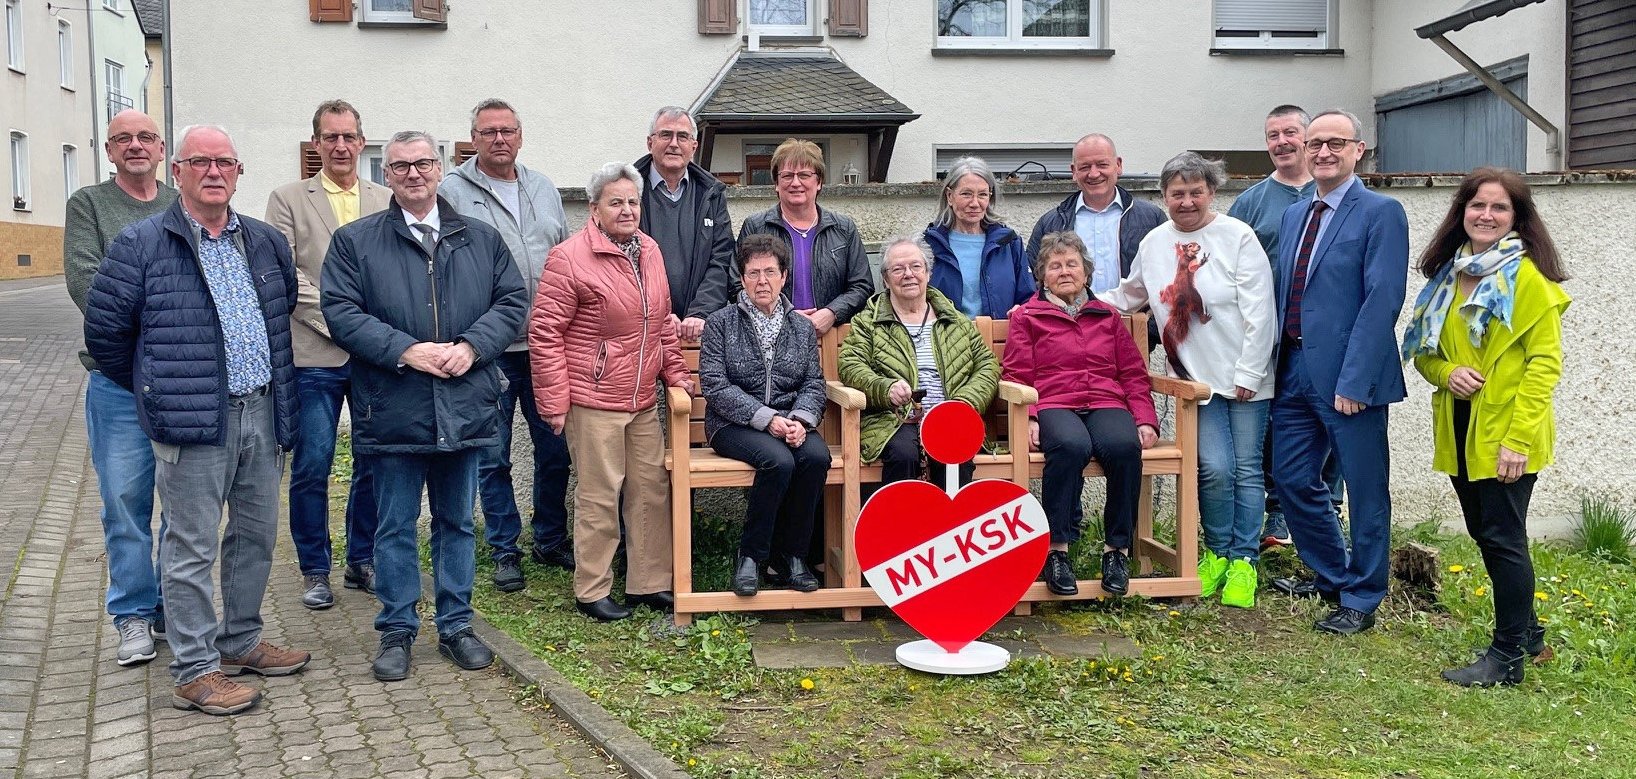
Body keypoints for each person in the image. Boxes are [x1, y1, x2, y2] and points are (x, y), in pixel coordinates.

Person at [85, 125, 309, 715]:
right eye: (200, 162)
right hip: (191, 418)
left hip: (262, 408)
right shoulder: (141, 243)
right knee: (189, 545)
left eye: (225, 162)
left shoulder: (264, 241)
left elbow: (280, 306)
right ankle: (193, 669)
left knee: (256, 535)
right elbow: (107, 334)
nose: (214, 172)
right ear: (177, 171)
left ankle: (239, 641)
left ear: (239, 172)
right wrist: (159, 389)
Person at [321, 130, 527, 682]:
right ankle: (396, 629)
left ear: (440, 169)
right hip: (394, 405)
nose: (413, 174)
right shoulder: (355, 242)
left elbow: (513, 301)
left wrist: (472, 347)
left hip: (465, 405)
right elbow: (340, 311)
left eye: (422, 164)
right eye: (400, 166)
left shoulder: (480, 239)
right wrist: (406, 350)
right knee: (394, 525)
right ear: (386, 175)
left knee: (458, 521)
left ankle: (457, 624)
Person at [1402, 167, 1570, 686]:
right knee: (1487, 532)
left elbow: (1545, 367)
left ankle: (1507, 658)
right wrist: (1448, 372)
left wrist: (1518, 441)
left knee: (1502, 538)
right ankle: (1532, 639)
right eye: (1478, 205)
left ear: (1517, 218)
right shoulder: (1447, 280)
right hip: (1460, 426)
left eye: (1500, 208)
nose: (1487, 215)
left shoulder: (1529, 283)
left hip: (1506, 433)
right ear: (1463, 212)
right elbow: (1425, 354)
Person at [1100, 152, 1275, 608]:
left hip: (1245, 376)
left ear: (1211, 193)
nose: (1187, 201)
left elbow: (1261, 308)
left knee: (1246, 470)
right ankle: (1216, 553)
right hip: (1195, 381)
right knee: (1214, 469)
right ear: (1165, 197)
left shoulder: (1237, 236)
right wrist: (1062, 298)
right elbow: (1128, 294)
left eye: (1196, 192)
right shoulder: (1155, 242)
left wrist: (1250, 371)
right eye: (1178, 193)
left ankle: (1244, 561)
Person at [531, 162, 692, 622]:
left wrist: (676, 374)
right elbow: (545, 332)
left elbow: (661, 321)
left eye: (633, 201)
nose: (626, 210)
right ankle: (592, 589)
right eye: (615, 202)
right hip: (593, 398)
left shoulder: (651, 251)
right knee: (600, 495)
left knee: (649, 491)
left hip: (641, 399)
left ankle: (648, 583)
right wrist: (555, 402)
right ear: (594, 207)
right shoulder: (569, 257)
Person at [1269, 109, 1409, 636]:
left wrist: (1355, 381)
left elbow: (1383, 299)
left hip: (1352, 378)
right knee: (1291, 478)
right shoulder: (1295, 215)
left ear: (1359, 149)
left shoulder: (1381, 212)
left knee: (1366, 488)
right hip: (1294, 369)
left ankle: (1363, 596)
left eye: (1335, 143)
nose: (1323, 152)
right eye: (1315, 144)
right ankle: (1332, 574)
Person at [439, 98, 574, 592]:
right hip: (486, 347)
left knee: (555, 450)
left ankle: (551, 538)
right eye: (489, 131)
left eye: (508, 130)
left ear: (521, 135)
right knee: (492, 455)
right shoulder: (452, 190)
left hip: (545, 344)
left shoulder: (542, 188)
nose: (500, 139)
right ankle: (504, 549)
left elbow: (562, 254)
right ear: (473, 138)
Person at [265, 99, 391, 610]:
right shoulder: (287, 199)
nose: (340, 146)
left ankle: (362, 560)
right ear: (315, 143)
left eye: (349, 137)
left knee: (372, 459)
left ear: (362, 142)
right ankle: (315, 568)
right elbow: (284, 273)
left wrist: (371, 334)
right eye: (330, 137)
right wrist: (345, 324)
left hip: (373, 359)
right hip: (313, 353)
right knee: (313, 464)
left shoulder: (386, 199)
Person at [63, 109, 177, 667]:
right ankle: (132, 612)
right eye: (123, 139)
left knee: (184, 505)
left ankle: (169, 609)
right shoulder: (88, 204)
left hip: (182, 383)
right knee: (126, 503)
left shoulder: (181, 202)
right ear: (109, 151)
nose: (136, 145)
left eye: (146, 137)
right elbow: (88, 282)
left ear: (162, 149)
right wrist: (164, 329)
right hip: (117, 383)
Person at [1003, 231, 1159, 598]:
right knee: (1070, 447)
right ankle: (1058, 551)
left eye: (1071, 264)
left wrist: (1144, 418)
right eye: (1054, 266)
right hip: (1054, 402)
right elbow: (1016, 374)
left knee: (1123, 447)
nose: (1064, 271)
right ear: (1042, 276)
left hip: (1106, 401)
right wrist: (1029, 416)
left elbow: (1133, 374)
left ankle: (1117, 551)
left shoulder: (1106, 316)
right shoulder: (1027, 317)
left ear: (1086, 272)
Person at [1228, 104, 1339, 550]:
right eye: (1272, 135)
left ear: (1309, 138)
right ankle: (1279, 517)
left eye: (1290, 132)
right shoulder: (1251, 202)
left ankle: (1331, 513)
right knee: (1278, 427)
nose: (1281, 142)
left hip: (1326, 338)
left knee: (1332, 425)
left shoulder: (1338, 197)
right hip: (1273, 338)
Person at [700, 233, 829, 597]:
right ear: (741, 278)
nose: (762, 281)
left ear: (784, 276)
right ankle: (752, 557)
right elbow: (715, 385)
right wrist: (766, 418)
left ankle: (792, 557)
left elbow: (813, 384)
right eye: (753, 273)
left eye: (770, 272)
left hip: (791, 421)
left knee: (816, 457)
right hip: (732, 424)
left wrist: (801, 421)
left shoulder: (802, 328)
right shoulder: (720, 323)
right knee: (778, 462)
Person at [839, 237, 999, 488]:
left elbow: (987, 365)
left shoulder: (954, 319)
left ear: (928, 273)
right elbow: (850, 365)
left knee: (956, 451)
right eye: (898, 269)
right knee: (904, 454)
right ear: (885, 279)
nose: (908, 275)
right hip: (894, 419)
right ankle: (902, 526)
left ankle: (952, 526)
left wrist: (963, 403)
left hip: (949, 416)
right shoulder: (867, 322)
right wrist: (885, 388)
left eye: (916, 267)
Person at [738, 139, 873, 332]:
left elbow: (862, 286)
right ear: (776, 183)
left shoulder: (843, 228)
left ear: (818, 182)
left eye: (804, 175)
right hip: (772, 336)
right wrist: (782, 314)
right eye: (787, 176)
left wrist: (832, 312)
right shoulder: (756, 226)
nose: (795, 183)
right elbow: (737, 283)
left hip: (831, 336)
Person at [635, 106, 736, 341]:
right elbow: (619, 262)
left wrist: (700, 312)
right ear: (650, 143)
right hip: (641, 327)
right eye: (665, 135)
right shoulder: (628, 190)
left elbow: (721, 259)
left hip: (697, 329)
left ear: (694, 146)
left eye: (682, 136)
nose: (673, 143)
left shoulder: (711, 194)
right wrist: (660, 313)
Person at [1026, 134, 1165, 293]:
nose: (1093, 174)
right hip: (1070, 318)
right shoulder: (1050, 224)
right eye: (1085, 167)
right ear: (1074, 171)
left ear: (1118, 165)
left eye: (1102, 164)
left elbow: (1167, 276)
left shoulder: (1152, 219)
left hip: (1136, 317)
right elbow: (1033, 280)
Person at [923, 156, 1034, 319]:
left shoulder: (1009, 243)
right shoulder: (929, 244)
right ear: (950, 196)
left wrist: (1022, 309)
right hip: (944, 342)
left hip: (999, 340)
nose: (975, 203)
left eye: (982, 194)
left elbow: (1029, 297)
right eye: (966, 194)